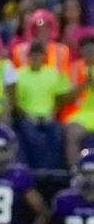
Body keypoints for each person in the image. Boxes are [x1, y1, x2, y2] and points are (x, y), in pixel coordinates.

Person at [12, 38, 71, 169]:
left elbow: (59, 99)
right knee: (32, 136)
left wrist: (52, 113)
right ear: (28, 56)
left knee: (56, 134)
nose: (36, 57)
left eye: (39, 54)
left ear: (44, 56)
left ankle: (53, 171)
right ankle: (35, 170)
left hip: (49, 116)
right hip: (27, 116)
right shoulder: (19, 74)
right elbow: (15, 101)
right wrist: (27, 115)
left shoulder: (52, 73)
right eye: (33, 54)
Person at [60, 30, 94, 164]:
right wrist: (84, 85)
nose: (90, 52)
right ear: (81, 51)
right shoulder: (71, 69)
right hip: (79, 114)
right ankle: (75, 170)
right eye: (87, 49)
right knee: (72, 135)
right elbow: (64, 98)